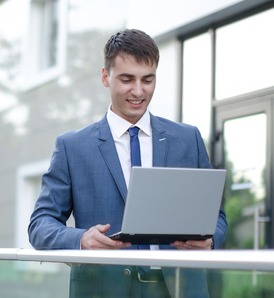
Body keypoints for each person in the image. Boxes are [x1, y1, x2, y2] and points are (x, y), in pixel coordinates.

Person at [28, 28, 227, 297]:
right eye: (126, 79)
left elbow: (216, 215)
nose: (138, 91)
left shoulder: (187, 138)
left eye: (148, 80)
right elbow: (40, 224)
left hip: (180, 288)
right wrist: (80, 239)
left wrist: (211, 240)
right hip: (103, 288)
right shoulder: (72, 147)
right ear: (105, 77)